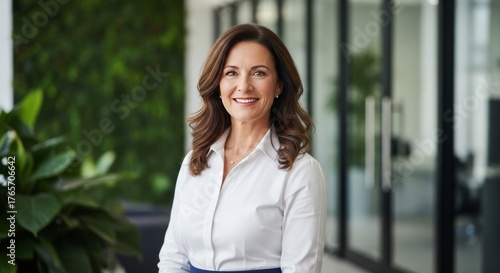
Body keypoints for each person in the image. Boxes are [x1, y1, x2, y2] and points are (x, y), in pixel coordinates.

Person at [158, 23, 326, 273]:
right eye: (231, 73)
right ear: (218, 83)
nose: (244, 86)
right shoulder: (196, 160)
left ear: (279, 85)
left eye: (259, 73)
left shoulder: (300, 172)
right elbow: (174, 256)